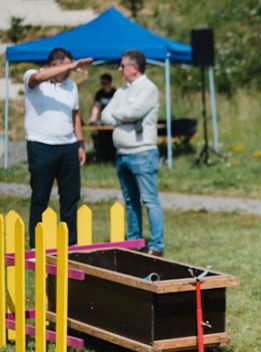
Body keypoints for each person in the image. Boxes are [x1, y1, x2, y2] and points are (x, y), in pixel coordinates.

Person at [23, 48, 91, 247]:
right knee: (40, 197)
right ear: (54, 64)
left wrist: (80, 144)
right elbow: (37, 77)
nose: (72, 71)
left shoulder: (71, 86)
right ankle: (37, 246)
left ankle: (70, 245)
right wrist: (72, 64)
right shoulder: (33, 78)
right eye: (67, 66)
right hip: (41, 147)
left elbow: (75, 115)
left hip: (68, 147)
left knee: (70, 199)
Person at [101, 50, 165, 256]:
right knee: (130, 201)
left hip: (142, 153)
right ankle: (135, 241)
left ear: (134, 68)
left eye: (122, 66)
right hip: (122, 153)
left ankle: (156, 245)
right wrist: (121, 118)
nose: (119, 70)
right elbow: (104, 114)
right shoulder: (121, 91)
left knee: (149, 200)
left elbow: (133, 113)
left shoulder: (148, 89)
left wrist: (118, 116)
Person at [88, 73, 117, 162]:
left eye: (105, 83)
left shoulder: (115, 93)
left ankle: (113, 157)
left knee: (112, 140)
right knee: (102, 139)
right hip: (103, 121)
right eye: (102, 83)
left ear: (110, 82)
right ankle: (103, 157)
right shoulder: (99, 93)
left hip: (114, 121)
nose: (103, 85)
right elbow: (96, 106)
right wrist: (93, 117)